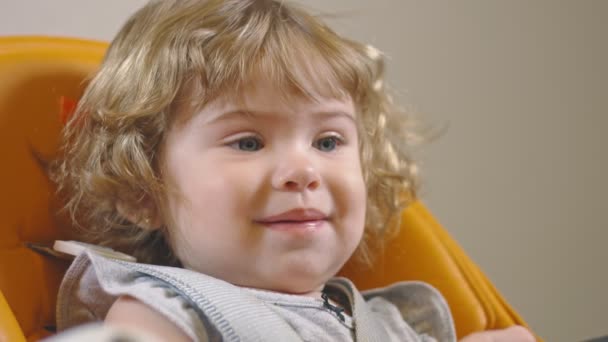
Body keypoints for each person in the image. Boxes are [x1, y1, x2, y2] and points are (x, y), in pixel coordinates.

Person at [51, 0, 535, 341]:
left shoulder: (392, 323)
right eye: (248, 141)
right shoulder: (167, 315)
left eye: (328, 141)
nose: (303, 170)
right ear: (143, 194)